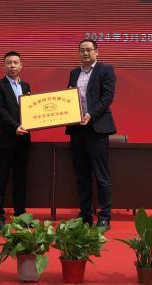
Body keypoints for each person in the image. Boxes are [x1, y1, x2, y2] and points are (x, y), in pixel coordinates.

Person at [66, 39, 116, 231]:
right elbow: (68, 98)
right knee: (82, 175)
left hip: (96, 127)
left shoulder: (105, 70)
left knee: (101, 175)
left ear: (96, 52)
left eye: (89, 50)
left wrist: (91, 114)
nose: (85, 53)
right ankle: (85, 214)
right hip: (77, 129)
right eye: (82, 50)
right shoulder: (74, 73)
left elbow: (107, 97)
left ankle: (104, 216)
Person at [0, 51, 30, 230]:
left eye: (16, 62)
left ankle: (21, 215)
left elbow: (31, 111)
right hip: (4, 141)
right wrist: (15, 126)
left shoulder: (26, 86)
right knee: (0, 180)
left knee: (21, 180)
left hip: (23, 141)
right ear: (4, 65)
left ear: (21, 65)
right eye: (9, 62)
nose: (12, 65)